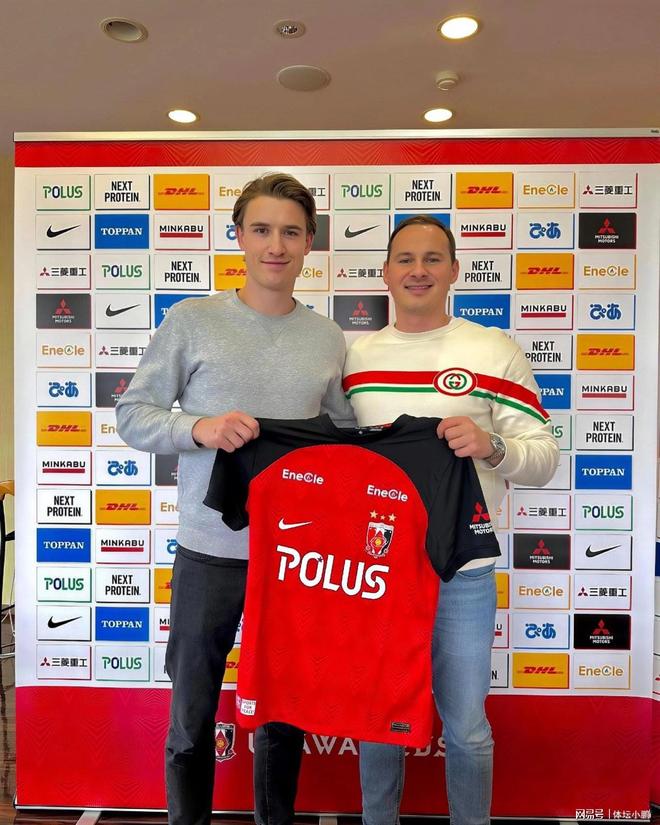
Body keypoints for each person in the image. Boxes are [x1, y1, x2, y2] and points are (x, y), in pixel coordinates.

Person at [116, 173, 355, 825]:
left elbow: (343, 437)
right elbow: (133, 415)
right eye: (262, 230)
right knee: (191, 715)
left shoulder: (328, 338)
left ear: (309, 242)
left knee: (282, 720)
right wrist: (201, 428)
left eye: (290, 232)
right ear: (239, 237)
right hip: (208, 554)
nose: (276, 246)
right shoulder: (192, 320)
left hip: (295, 561)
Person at [343, 215, 560, 825]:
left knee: (465, 726)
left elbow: (544, 457)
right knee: (378, 720)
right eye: (405, 259)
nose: (418, 271)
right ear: (385, 273)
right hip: (378, 573)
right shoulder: (355, 358)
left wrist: (493, 446)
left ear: (454, 271)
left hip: (464, 572)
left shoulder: (493, 351)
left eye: (432, 259)